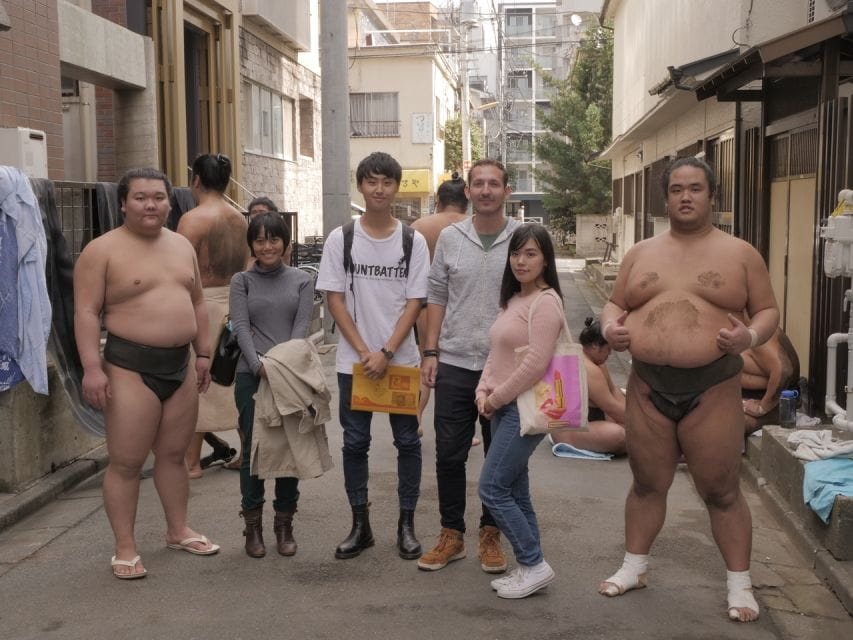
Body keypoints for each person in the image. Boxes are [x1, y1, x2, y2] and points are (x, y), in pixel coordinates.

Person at [598, 157, 779, 623]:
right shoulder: (642, 252)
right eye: (677, 188)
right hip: (647, 385)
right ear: (666, 197)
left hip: (713, 384)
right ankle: (634, 566)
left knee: (721, 490)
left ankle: (740, 584)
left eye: (695, 188)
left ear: (712, 196)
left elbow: (767, 312)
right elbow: (615, 303)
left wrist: (750, 339)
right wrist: (610, 329)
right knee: (646, 482)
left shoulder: (740, 253)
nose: (685, 196)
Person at [74, 168, 220, 580]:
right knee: (126, 462)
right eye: (140, 197)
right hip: (128, 367)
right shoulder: (100, 251)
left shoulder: (181, 246)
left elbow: (196, 302)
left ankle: (178, 530)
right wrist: (90, 368)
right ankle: (125, 547)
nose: (150, 204)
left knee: (173, 457)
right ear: (123, 203)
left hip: (179, 365)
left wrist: (203, 354)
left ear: (170, 202)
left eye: (158, 197)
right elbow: (85, 312)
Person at [316, 152, 430, 560]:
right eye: (371, 182)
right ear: (360, 186)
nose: (379, 190)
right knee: (355, 442)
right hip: (355, 363)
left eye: (386, 182)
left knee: (408, 443)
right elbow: (334, 300)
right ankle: (360, 526)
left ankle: (406, 526)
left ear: (397, 187)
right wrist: (366, 352)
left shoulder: (412, 240)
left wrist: (386, 351)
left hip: (401, 360)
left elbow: (416, 302)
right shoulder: (341, 238)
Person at [418, 159, 521, 573]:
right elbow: (436, 295)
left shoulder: (523, 237)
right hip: (456, 361)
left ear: (506, 191)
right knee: (449, 455)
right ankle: (451, 533)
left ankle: (490, 533)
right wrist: (430, 352)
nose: (485, 190)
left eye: (493, 183)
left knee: (500, 457)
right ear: (468, 192)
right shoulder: (450, 238)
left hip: (506, 367)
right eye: (478, 183)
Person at [476, 223, 565, 598]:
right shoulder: (513, 299)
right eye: (516, 253)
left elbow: (536, 365)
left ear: (545, 260)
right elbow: (497, 355)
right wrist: (482, 389)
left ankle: (533, 562)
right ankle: (531, 566)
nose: (521, 260)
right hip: (501, 408)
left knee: (492, 487)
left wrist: (495, 399)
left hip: (521, 410)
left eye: (530, 253)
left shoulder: (546, 302)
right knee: (515, 490)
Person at [229, 212, 315, 557]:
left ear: (285, 243)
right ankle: (252, 527)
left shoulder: (302, 280)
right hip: (250, 375)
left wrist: (280, 365)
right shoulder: (241, 281)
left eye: (274, 239)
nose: (267, 246)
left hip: (290, 374)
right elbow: (241, 327)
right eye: (260, 240)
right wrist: (258, 364)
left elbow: (302, 326)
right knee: (254, 449)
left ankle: (284, 523)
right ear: (252, 243)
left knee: (289, 448)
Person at [177, 154, 249, 479]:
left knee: (199, 386)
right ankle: (246, 454)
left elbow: (181, 270)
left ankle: (191, 462)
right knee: (234, 380)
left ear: (196, 180)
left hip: (202, 304)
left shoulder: (192, 220)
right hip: (234, 302)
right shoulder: (240, 219)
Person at [410, 173, 469, 431]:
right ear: (466, 200)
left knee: (427, 359)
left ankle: (416, 417)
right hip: (461, 305)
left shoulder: (420, 226)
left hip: (424, 304)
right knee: (461, 368)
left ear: (439, 200)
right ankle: (461, 431)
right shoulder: (475, 225)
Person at [551, 318, 626, 455]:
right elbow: (610, 407)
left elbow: (614, 392)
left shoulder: (598, 364)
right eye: (608, 349)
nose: (609, 355)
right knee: (620, 435)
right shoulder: (588, 368)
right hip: (569, 430)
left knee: (633, 432)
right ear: (595, 346)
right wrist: (643, 426)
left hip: (591, 422)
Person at [741, 326, 800, 435]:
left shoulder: (756, 330)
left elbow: (784, 371)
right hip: (738, 399)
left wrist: (762, 407)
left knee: (719, 428)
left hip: (773, 405)